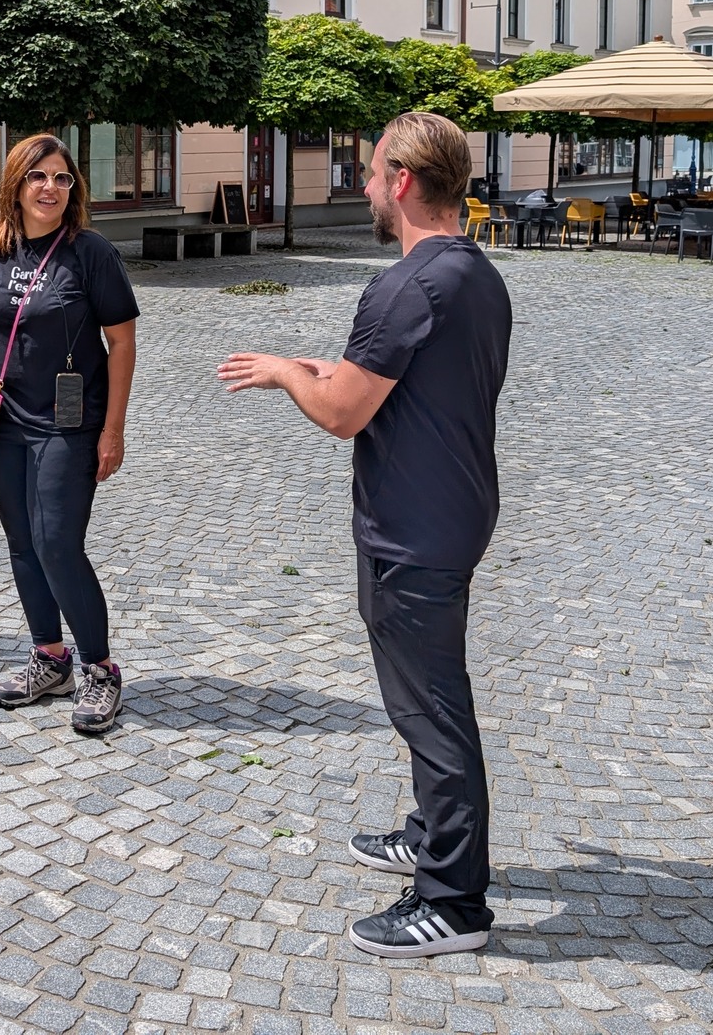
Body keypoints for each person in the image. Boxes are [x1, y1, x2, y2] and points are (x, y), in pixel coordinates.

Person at [218, 111, 511, 960]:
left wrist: (283, 374)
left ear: (406, 184)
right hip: (450, 510)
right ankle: (429, 833)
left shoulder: (406, 285)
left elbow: (345, 413)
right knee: (426, 698)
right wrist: (328, 367)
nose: (370, 187)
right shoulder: (473, 274)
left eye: (376, 173)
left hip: (413, 529)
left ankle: (454, 899)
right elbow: (398, 381)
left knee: (431, 709)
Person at [0, 134, 138, 736]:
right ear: (16, 183)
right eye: (38, 176)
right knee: (22, 544)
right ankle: (50, 658)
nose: (51, 188)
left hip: (69, 421)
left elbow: (123, 344)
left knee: (57, 542)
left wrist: (112, 429)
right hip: (2, 423)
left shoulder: (90, 254)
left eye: (62, 178)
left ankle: (100, 669)